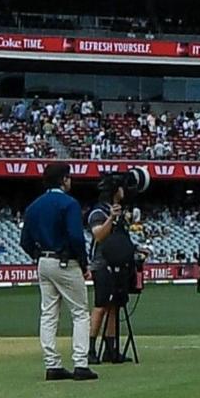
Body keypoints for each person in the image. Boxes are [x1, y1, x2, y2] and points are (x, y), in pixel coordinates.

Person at [21, 163, 97, 381]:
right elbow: (75, 236)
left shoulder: (34, 206)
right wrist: (83, 264)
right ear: (64, 179)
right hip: (66, 262)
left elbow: (24, 240)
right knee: (80, 312)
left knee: (49, 313)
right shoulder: (69, 203)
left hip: (43, 261)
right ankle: (81, 363)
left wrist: (37, 255)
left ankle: (52, 364)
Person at [87, 175, 139, 365]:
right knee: (100, 306)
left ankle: (111, 349)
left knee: (115, 307)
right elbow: (98, 235)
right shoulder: (98, 212)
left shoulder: (118, 211)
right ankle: (90, 349)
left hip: (119, 264)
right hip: (102, 265)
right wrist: (112, 218)